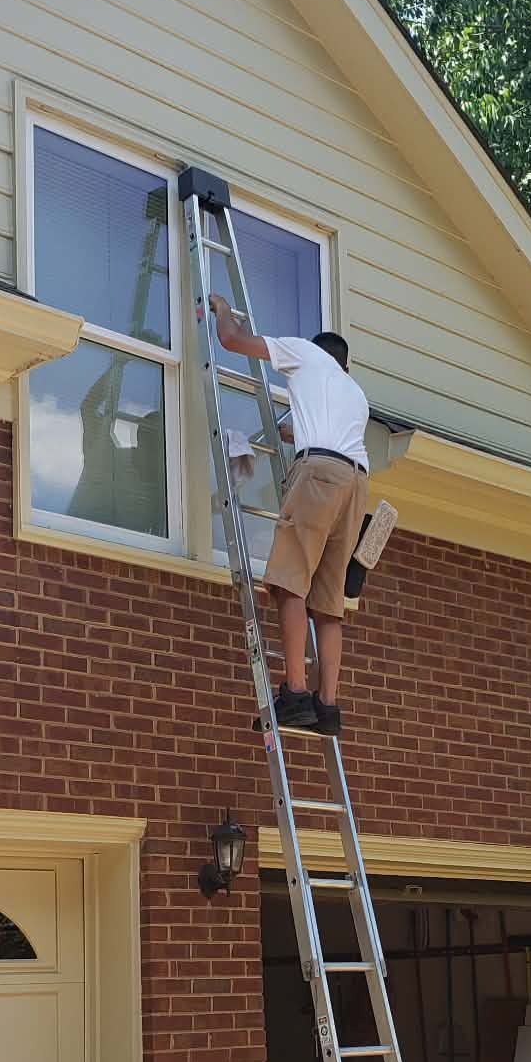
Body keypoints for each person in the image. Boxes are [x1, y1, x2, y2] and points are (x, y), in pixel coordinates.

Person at [209, 294, 370, 736]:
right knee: (330, 604)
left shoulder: (305, 353)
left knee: (288, 584)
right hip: (355, 485)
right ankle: (328, 707)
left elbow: (231, 340)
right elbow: (306, 430)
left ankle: (296, 695)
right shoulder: (354, 395)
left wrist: (224, 308)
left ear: (317, 353)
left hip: (318, 475)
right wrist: (288, 430)